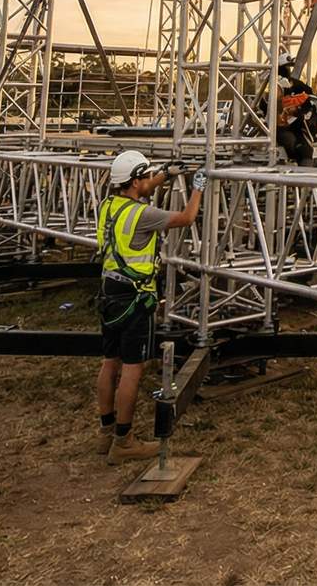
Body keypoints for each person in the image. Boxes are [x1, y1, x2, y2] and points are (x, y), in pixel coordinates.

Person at [95, 150, 205, 463]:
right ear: (134, 182)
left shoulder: (109, 206)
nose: (148, 182)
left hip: (109, 292)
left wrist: (166, 174)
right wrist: (198, 187)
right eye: (145, 178)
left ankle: (105, 433)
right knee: (133, 369)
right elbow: (186, 218)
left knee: (109, 362)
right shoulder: (144, 215)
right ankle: (124, 441)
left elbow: (143, 188)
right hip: (135, 298)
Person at [267, 53, 317, 165]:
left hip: (297, 127)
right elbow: (265, 107)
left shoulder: (299, 86)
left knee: (305, 150)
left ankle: (303, 178)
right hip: (279, 128)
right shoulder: (270, 88)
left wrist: (297, 110)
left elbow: (311, 102)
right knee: (298, 146)